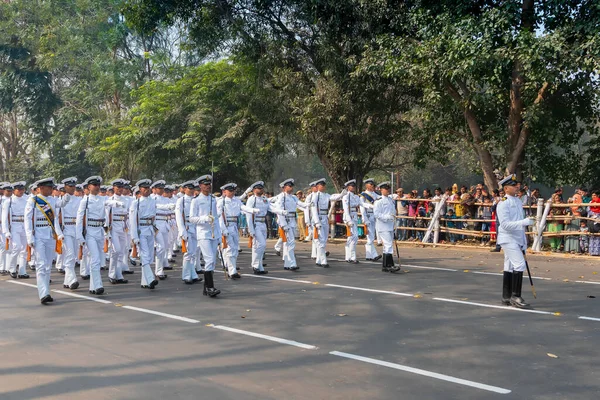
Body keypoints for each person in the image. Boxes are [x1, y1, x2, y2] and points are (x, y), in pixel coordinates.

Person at [496, 174, 535, 309]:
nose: (517, 187)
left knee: (509, 266)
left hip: (517, 238)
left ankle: (506, 296)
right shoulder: (503, 203)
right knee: (519, 265)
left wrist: (523, 240)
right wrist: (524, 222)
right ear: (506, 188)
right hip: (507, 238)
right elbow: (505, 224)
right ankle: (515, 296)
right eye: (513, 185)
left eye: (517, 184)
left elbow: (518, 221)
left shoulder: (518, 201)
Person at [24, 178, 65, 304]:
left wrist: (68, 193)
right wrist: (30, 237)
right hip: (39, 235)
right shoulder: (33, 200)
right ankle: (43, 293)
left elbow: (62, 205)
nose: (51, 189)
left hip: (50, 235)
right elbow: (27, 219)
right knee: (41, 265)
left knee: (48, 266)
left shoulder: (53, 200)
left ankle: (47, 291)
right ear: (41, 188)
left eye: (52, 187)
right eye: (49, 187)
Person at [189, 174, 221, 296]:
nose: (208, 186)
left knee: (212, 261)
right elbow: (192, 218)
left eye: (209, 184)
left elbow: (216, 218)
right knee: (209, 259)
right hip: (203, 233)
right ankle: (210, 287)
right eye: (205, 184)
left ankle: (206, 287)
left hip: (213, 233)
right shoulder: (196, 201)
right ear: (200, 186)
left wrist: (219, 234)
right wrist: (204, 218)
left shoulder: (213, 199)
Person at [217, 182, 258, 279]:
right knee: (230, 249)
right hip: (227, 226)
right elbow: (220, 217)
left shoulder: (236, 201)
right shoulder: (221, 202)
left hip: (235, 226)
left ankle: (232, 267)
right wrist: (223, 229)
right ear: (225, 192)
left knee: (235, 249)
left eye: (233, 191)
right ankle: (232, 271)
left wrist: (252, 210)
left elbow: (243, 207)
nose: (232, 192)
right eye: (230, 191)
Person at [273, 178, 306, 270]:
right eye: (289, 186)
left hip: (292, 221)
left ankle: (287, 264)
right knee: (291, 243)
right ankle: (292, 264)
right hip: (286, 221)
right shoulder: (281, 197)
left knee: (289, 243)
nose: (291, 188)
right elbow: (279, 212)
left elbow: (301, 204)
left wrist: (309, 204)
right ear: (284, 187)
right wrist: (283, 224)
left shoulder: (293, 197)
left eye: (292, 186)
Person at [175, 180, 203, 284]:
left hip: (195, 227)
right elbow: (179, 217)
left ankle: (193, 274)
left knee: (194, 252)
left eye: (193, 189)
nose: (191, 191)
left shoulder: (196, 200)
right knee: (187, 253)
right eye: (189, 188)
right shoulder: (181, 200)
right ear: (184, 189)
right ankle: (186, 275)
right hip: (186, 227)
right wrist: (182, 231)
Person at [309, 178, 341, 267]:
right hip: (318, 218)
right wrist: (316, 221)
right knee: (321, 240)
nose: (323, 187)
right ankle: (323, 261)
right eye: (321, 185)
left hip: (325, 218)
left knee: (324, 239)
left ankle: (319, 260)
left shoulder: (326, 195)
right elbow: (314, 210)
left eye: (324, 185)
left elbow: (333, 197)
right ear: (317, 186)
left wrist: (341, 194)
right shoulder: (315, 196)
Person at [57, 177, 81, 290]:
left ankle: (67, 281)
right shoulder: (60, 200)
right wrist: (58, 232)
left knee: (73, 256)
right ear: (65, 187)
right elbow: (57, 218)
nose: (72, 188)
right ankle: (72, 280)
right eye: (70, 186)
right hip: (66, 229)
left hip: (76, 229)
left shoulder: (79, 199)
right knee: (70, 254)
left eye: (73, 186)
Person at [2, 181, 30, 279]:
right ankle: (12, 268)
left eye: (22, 189)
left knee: (24, 250)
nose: (21, 191)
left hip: (24, 225)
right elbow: (4, 218)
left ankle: (22, 271)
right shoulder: (8, 201)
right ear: (14, 190)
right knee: (16, 247)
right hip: (14, 226)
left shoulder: (26, 200)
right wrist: (6, 231)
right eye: (19, 189)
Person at [106, 179, 130, 285]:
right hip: (114, 227)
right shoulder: (109, 200)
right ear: (113, 188)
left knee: (122, 252)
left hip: (123, 226)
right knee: (116, 251)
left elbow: (128, 214)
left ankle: (119, 274)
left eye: (121, 187)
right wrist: (107, 232)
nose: (120, 189)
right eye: (118, 187)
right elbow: (107, 217)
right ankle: (111, 274)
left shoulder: (126, 200)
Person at [373, 182, 400, 273]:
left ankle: (386, 265)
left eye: (388, 188)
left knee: (387, 246)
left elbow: (393, 213)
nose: (387, 190)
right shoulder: (378, 201)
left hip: (390, 225)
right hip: (383, 226)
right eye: (385, 188)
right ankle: (389, 265)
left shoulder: (391, 200)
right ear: (381, 190)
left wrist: (393, 222)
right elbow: (376, 214)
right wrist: (387, 217)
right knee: (388, 245)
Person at [360, 178, 382, 261]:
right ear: (367, 185)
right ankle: (374, 255)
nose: (373, 186)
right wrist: (365, 219)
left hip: (374, 216)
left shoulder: (375, 194)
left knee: (371, 237)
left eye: (373, 184)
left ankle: (369, 255)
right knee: (370, 237)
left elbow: (380, 198)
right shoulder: (363, 195)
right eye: (371, 184)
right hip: (368, 216)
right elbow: (362, 208)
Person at [341, 179, 361, 263]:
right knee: (354, 236)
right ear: (348, 187)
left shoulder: (356, 196)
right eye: (351, 186)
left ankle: (348, 256)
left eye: (354, 186)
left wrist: (372, 206)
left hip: (354, 216)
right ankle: (352, 257)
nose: (353, 187)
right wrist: (349, 220)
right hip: (349, 217)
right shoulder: (346, 197)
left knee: (351, 237)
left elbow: (361, 204)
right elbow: (346, 209)